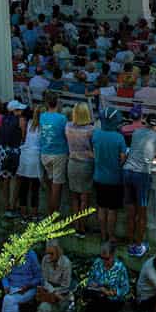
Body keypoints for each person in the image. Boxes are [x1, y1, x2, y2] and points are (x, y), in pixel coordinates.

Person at [123, 112, 156, 257]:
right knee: (141, 213)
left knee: (130, 212)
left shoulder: (136, 132)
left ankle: (130, 242)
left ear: (146, 122)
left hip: (127, 171)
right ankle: (138, 245)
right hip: (141, 174)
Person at [92, 109, 128, 243]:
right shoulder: (119, 138)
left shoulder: (96, 135)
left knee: (101, 207)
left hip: (99, 177)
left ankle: (103, 235)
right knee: (112, 210)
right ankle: (111, 236)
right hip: (114, 179)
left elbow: (94, 152)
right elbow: (123, 158)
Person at [85, 242, 130, 312]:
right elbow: (90, 281)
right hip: (98, 295)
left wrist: (112, 292)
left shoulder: (120, 267)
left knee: (103, 308)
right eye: (102, 258)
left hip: (113, 299)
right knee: (90, 308)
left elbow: (125, 288)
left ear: (113, 255)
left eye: (107, 258)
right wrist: (97, 287)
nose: (104, 261)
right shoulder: (97, 263)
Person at [0, 243, 41, 312]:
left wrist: (28, 286)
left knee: (8, 299)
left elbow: (39, 277)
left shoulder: (31, 255)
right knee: (13, 304)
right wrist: (6, 286)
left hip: (27, 289)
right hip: (12, 287)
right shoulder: (9, 255)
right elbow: (3, 273)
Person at [65, 102, 96, 237]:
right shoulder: (91, 130)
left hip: (72, 163)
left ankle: (76, 225)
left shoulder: (67, 127)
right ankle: (82, 227)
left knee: (74, 198)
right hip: (86, 164)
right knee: (84, 198)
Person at [35, 240, 73, 312]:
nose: (49, 256)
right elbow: (43, 280)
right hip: (48, 296)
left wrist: (55, 292)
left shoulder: (66, 263)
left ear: (58, 252)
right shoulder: (45, 260)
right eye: (47, 253)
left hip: (61, 297)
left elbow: (66, 286)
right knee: (43, 309)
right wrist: (52, 291)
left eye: (51, 253)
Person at [37, 92, 69, 217]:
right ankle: (52, 217)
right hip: (58, 154)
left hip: (45, 154)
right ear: (57, 102)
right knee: (56, 189)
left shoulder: (42, 116)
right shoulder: (62, 118)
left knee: (51, 188)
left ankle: (52, 213)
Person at [15, 104, 43, 220]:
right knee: (35, 188)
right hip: (35, 158)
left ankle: (23, 213)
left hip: (25, 156)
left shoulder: (27, 123)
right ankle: (34, 214)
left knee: (24, 186)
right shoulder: (42, 127)